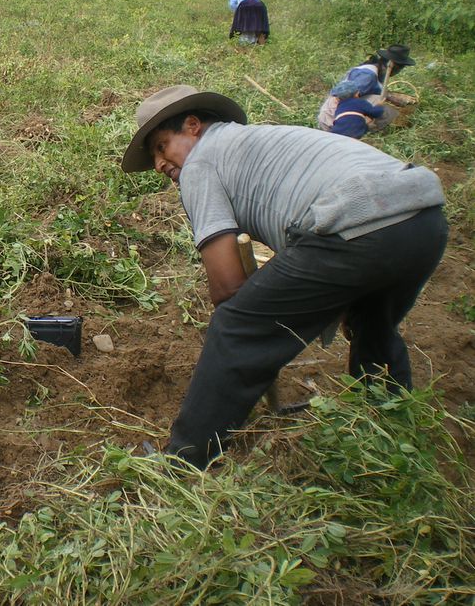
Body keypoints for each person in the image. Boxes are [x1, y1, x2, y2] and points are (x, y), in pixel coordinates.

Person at [121, 85, 447, 470]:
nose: (159, 164)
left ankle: (186, 459)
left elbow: (228, 287)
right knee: (372, 320)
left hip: (358, 223)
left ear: (193, 126)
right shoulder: (256, 140)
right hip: (423, 220)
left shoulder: (200, 163)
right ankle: (389, 425)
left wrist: (254, 341)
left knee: (237, 325)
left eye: (161, 146)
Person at [317, 45, 417, 132]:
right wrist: (364, 117)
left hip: (339, 114)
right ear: (394, 66)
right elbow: (341, 95)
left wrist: (389, 96)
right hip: (331, 118)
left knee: (381, 100)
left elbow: (374, 91)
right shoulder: (368, 76)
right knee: (387, 110)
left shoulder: (378, 72)